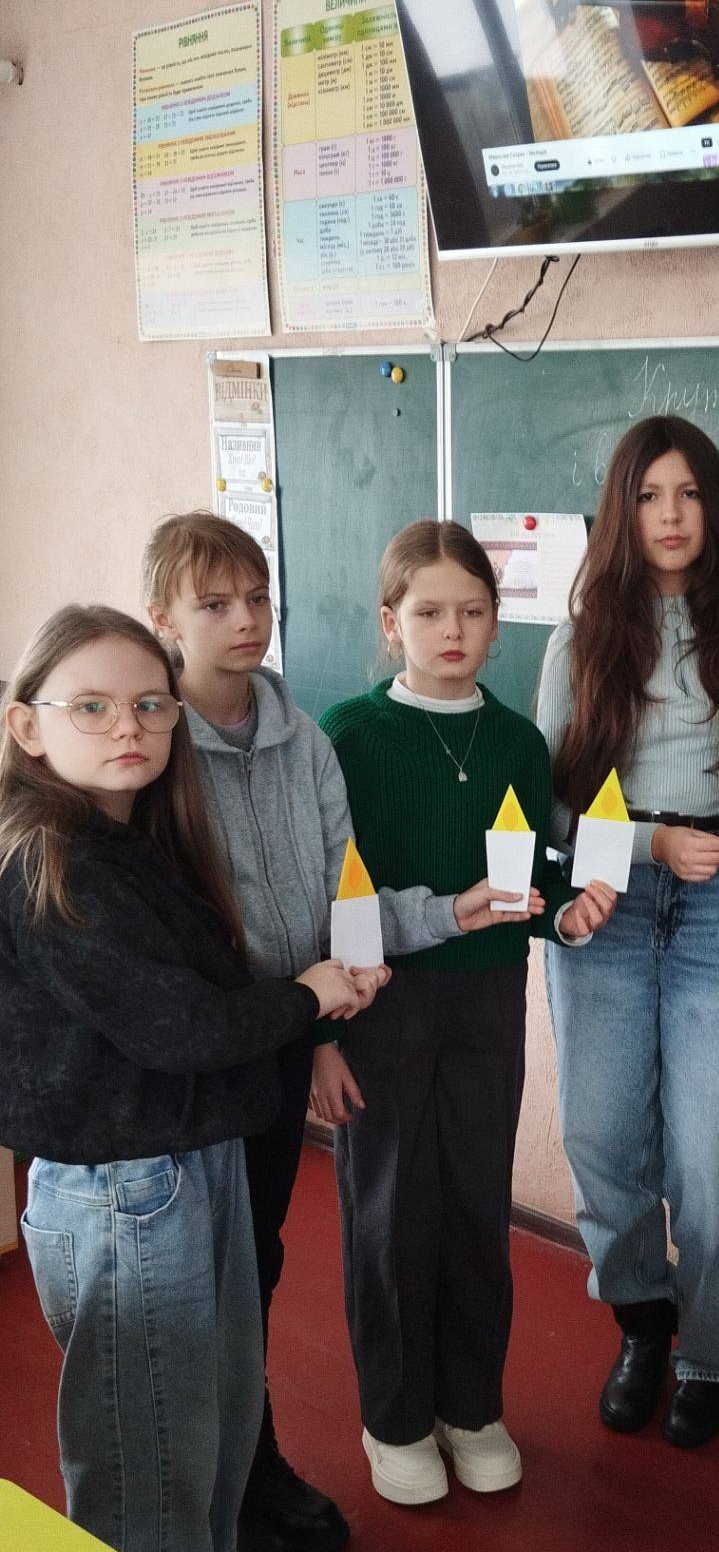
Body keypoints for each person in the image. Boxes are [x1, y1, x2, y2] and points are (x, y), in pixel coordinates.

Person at [143, 510, 518, 1550]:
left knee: (254, 1256)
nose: (246, 618)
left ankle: (254, 1461)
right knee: (192, 1269)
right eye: (216, 603)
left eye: (258, 597)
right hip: (194, 1054)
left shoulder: (303, 739)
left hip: (289, 1029)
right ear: (163, 617)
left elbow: (342, 903)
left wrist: (433, 926)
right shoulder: (154, 743)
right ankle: (204, 1479)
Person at [0, 605, 371, 1552]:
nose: (128, 726)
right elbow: (180, 1025)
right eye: (91, 706)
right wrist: (307, 996)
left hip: (185, 1161)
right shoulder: (56, 863)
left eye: (150, 704)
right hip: (126, 1190)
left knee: (204, 1428)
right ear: (27, 725)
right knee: (149, 1466)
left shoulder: (130, 841)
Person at [318, 519, 616, 1507]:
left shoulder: (519, 741)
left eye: (474, 611)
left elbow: (531, 878)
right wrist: (324, 1033)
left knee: (476, 1207)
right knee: (390, 1209)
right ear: (390, 621)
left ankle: (471, 1405)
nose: (452, 630)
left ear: (496, 622)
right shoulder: (350, 735)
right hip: (384, 1000)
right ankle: (396, 1415)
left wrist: (566, 913)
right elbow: (331, 893)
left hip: (488, 998)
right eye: (430, 611)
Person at [537, 415, 719, 1449]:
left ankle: (714, 1350)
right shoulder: (580, 636)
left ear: (713, 505)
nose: (671, 514)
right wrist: (649, 846)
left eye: (688, 493)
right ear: (622, 509)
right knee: (601, 1141)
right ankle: (644, 1322)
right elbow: (553, 808)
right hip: (608, 900)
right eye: (649, 495)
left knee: (711, 1165)